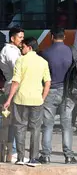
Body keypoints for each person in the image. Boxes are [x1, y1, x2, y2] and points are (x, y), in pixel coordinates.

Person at [2, 38, 51, 167]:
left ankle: (20, 157)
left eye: (22, 47)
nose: (21, 49)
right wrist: (43, 98)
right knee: (35, 129)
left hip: (20, 100)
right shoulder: (43, 62)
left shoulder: (21, 61)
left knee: (20, 127)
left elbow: (16, 82)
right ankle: (33, 159)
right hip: (37, 100)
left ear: (29, 47)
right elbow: (47, 82)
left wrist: (9, 99)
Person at [40, 28, 77, 165]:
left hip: (50, 91)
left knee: (47, 125)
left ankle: (46, 156)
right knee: (66, 125)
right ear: (64, 36)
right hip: (67, 92)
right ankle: (68, 156)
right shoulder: (70, 51)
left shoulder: (45, 53)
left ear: (51, 36)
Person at [0, 27, 24, 162]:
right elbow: (18, 69)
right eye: (19, 37)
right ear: (12, 38)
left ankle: (13, 149)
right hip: (12, 86)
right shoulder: (9, 51)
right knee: (14, 120)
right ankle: (13, 150)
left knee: (14, 120)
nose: (22, 40)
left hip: (13, 85)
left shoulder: (14, 50)